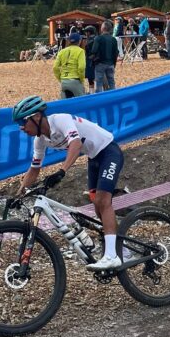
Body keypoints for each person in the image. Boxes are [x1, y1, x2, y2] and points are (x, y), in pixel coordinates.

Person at [12, 96, 130, 271]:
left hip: (108, 152)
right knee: (97, 204)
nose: (21, 128)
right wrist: (18, 193)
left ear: (36, 117)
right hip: (94, 158)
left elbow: (74, 144)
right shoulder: (40, 140)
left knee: (103, 201)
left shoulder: (60, 120)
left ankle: (112, 256)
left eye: (23, 122)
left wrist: (62, 171)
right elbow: (34, 168)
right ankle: (124, 249)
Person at [53, 32, 85, 99]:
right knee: (81, 103)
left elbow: (55, 67)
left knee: (65, 104)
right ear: (79, 41)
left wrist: (60, 78)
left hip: (64, 81)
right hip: (75, 80)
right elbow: (81, 67)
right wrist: (82, 79)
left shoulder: (62, 51)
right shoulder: (80, 51)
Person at [92, 21, 119, 93]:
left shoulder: (98, 38)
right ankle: (113, 96)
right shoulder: (113, 39)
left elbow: (94, 51)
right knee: (111, 82)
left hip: (100, 63)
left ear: (103, 28)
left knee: (99, 83)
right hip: (111, 63)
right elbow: (116, 52)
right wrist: (114, 64)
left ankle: (100, 100)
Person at [83, 26, 97, 94]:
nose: (85, 33)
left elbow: (88, 51)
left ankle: (92, 92)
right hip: (96, 60)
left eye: (86, 32)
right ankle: (97, 91)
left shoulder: (90, 40)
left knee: (90, 78)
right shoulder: (96, 38)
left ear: (89, 32)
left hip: (90, 60)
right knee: (96, 77)